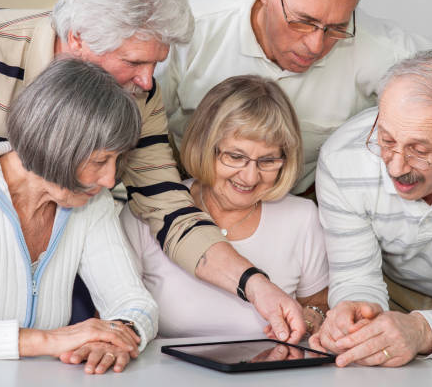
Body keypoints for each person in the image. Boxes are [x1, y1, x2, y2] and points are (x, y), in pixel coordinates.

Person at [0, 0, 306, 343]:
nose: (148, 82)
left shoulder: (138, 95)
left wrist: (254, 286)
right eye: (133, 62)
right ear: (77, 39)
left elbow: (168, 209)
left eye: (155, 63)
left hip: (54, 258)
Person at [0, 59, 157, 374]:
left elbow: (134, 302)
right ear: (55, 145)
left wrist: (116, 335)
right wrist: (46, 340)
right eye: (100, 160)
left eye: (117, 159)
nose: (109, 179)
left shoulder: (93, 201)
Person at [310, 50, 432, 367]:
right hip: (395, 295)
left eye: (419, 150)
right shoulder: (343, 159)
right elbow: (357, 278)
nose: (396, 167)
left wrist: (420, 330)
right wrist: (357, 315)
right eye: (386, 140)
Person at [158, 0, 432, 195]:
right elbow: (140, 120)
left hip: (303, 198)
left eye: (336, 28)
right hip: (187, 187)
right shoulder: (193, 25)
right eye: (303, 22)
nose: (315, 45)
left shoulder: (381, 49)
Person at [121, 75, 329, 338]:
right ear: (205, 146)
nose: (250, 177)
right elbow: (116, 317)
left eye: (267, 161)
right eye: (235, 156)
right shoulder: (146, 213)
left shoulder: (302, 217)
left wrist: (308, 321)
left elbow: (319, 305)